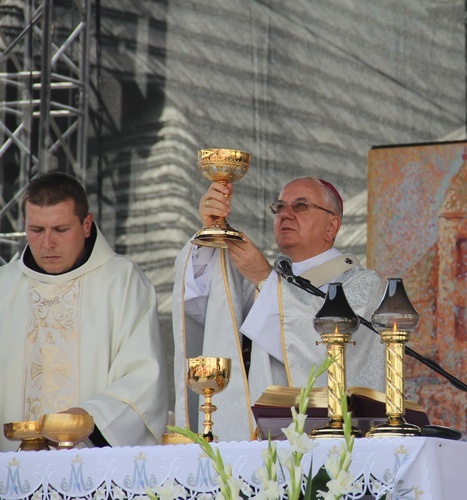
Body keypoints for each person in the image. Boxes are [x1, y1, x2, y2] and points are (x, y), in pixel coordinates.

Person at [173, 176, 386, 442]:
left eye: (300, 206)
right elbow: (204, 305)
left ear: (332, 226)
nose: (285, 214)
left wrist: (265, 278)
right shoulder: (268, 278)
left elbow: (323, 351)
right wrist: (210, 232)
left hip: (324, 443)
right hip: (249, 442)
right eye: (280, 207)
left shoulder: (362, 284)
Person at [0, 172, 168, 452]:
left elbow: (144, 378)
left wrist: (91, 418)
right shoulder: (4, 286)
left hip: (91, 465)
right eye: (37, 230)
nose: (47, 243)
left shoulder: (122, 282)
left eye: (61, 229)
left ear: (87, 224)